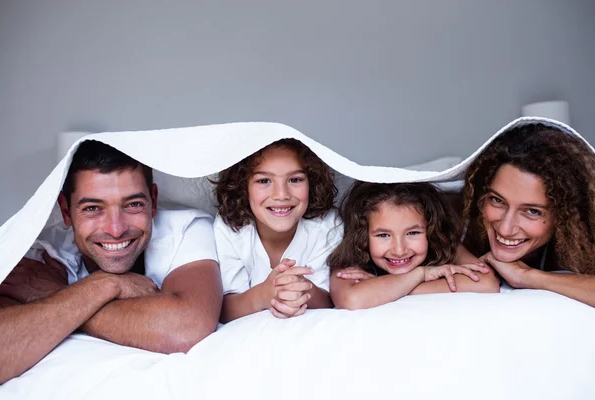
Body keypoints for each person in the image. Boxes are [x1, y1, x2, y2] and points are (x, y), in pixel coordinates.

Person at [0, 140, 222, 385]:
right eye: (93, 208)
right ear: (66, 210)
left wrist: (55, 294)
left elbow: (184, 329)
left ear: (153, 201)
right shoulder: (41, 252)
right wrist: (107, 285)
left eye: (133, 205)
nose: (116, 230)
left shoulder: (186, 228)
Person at [462, 122, 595, 307]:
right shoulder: (448, 221)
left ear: (565, 214)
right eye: (497, 200)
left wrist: (527, 277)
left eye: (532, 211)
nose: (506, 229)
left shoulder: (582, 240)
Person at [212, 139, 340, 322]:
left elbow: (331, 301)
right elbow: (223, 310)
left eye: (295, 179)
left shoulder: (327, 226)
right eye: (264, 181)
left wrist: (301, 288)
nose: (281, 195)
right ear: (242, 187)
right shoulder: (229, 228)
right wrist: (266, 294)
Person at [329, 182, 499, 310]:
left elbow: (487, 283)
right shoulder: (352, 253)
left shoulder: (442, 244)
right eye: (383, 235)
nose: (399, 250)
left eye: (413, 233)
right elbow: (351, 299)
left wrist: (391, 287)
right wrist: (421, 274)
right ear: (362, 235)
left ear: (430, 230)